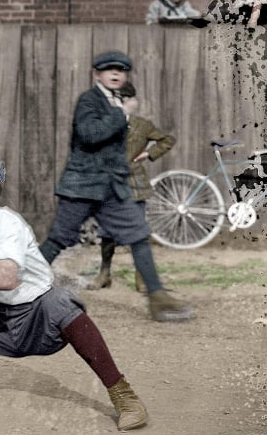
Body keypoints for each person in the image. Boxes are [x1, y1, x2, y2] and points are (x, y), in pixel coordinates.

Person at [0, 150, 148, 432]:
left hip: (38, 321)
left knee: (59, 300)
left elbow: (7, 278)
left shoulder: (8, 223)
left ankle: (124, 395)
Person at [37, 51, 194, 322]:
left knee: (137, 235)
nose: (115, 74)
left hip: (112, 188)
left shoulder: (115, 102)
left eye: (120, 70)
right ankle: (14, 289)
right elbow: (89, 135)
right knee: (59, 239)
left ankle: (158, 299)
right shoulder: (90, 100)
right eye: (108, 69)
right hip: (82, 186)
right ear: (96, 74)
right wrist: (122, 114)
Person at [90, 82, 175, 291]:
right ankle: (104, 274)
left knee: (138, 232)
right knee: (106, 232)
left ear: (128, 102)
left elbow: (167, 140)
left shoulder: (142, 125)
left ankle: (141, 277)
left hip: (134, 185)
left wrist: (148, 154)